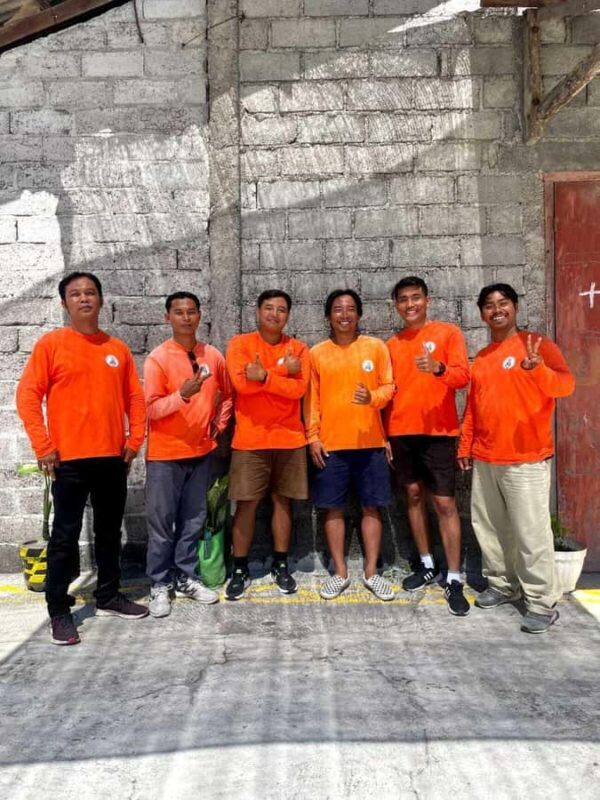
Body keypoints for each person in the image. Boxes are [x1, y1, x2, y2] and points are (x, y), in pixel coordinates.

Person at [16, 271, 148, 646]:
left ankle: (108, 596)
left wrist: (134, 440)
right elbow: (28, 395)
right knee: (65, 537)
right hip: (68, 461)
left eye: (90, 292)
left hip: (111, 459)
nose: (84, 298)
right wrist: (43, 445)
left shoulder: (117, 349)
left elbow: (135, 399)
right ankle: (59, 610)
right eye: (75, 294)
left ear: (101, 300)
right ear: (65, 303)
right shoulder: (52, 345)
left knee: (109, 533)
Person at [458, 283, 575, 634]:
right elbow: (474, 409)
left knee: (530, 533)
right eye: (489, 305)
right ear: (482, 314)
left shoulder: (537, 345)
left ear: (515, 307)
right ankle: (502, 585)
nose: (496, 310)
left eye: (503, 303)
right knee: (491, 529)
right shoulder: (482, 358)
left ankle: (541, 602)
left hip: (526, 459)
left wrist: (538, 369)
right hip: (486, 458)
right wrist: (465, 446)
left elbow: (565, 386)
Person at [144, 292, 233, 617]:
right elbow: (151, 409)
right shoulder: (157, 358)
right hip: (165, 456)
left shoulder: (213, 355)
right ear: (167, 317)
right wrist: (181, 396)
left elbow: (227, 395)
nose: (186, 317)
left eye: (191, 311)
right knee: (161, 524)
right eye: (179, 312)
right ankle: (159, 584)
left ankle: (186, 577)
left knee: (193, 521)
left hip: (201, 452)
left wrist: (218, 425)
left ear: (199, 316)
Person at [386, 277, 470, 616]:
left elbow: (462, 377)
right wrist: (384, 435)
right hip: (400, 432)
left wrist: (438, 368)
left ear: (427, 300)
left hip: (439, 432)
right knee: (413, 495)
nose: (410, 304)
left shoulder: (448, 333)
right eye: (403, 299)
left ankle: (454, 576)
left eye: (416, 298)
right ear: (396, 305)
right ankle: (426, 564)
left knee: (445, 502)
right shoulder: (391, 344)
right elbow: (386, 392)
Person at [306, 289, 395, 601]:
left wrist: (372, 398)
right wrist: (313, 437)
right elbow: (312, 400)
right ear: (328, 316)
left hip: (370, 443)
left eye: (350, 309)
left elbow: (388, 387)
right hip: (331, 445)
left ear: (359, 314)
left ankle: (371, 572)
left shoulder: (376, 347)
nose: (344, 315)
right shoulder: (316, 353)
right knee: (332, 508)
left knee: (372, 506)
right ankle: (340, 573)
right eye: (337, 309)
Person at [225, 290, 309, 600]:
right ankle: (239, 568)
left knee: (283, 501)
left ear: (288, 315)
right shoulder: (240, 344)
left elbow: (298, 390)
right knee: (246, 504)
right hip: (250, 439)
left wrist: (265, 377)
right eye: (269, 308)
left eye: (281, 309)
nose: (275, 314)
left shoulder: (298, 348)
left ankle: (281, 564)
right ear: (258, 311)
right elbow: (242, 386)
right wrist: (283, 372)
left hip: (290, 439)